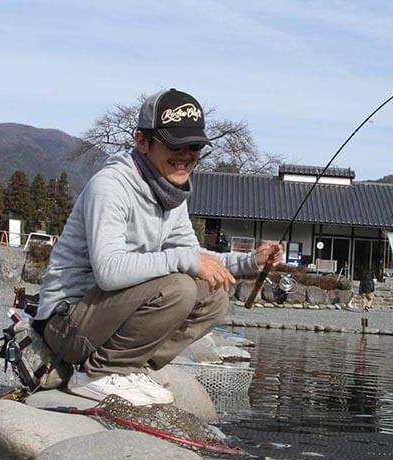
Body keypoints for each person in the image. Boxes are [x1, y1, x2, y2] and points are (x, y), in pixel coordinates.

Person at [35, 88, 283, 406]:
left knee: (214, 294)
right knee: (179, 286)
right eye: (174, 144)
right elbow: (109, 272)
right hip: (66, 324)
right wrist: (184, 260)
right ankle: (98, 374)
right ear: (142, 141)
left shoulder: (169, 191)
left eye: (194, 146)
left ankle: (130, 368)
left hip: (105, 319)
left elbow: (197, 258)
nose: (186, 154)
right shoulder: (110, 186)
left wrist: (252, 261)